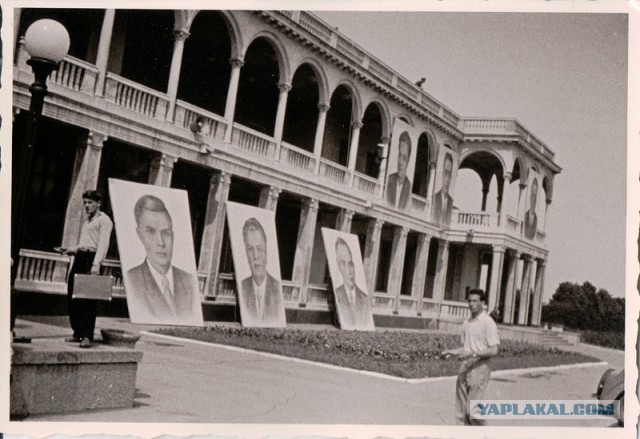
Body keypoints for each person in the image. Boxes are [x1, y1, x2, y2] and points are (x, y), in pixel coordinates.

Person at [126, 194, 202, 325]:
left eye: (166, 233)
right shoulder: (132, 280)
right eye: (151, 232)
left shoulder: (189, 281)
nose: (160, 242)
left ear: (172, 236)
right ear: (140, 235)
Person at [59, 190, 113, 348]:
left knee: (87, 300)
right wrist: (71, 249)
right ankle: (77, 332)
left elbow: (102, 244)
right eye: (85, 203)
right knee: (73, 295)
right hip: (80, 258)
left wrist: (96, 265)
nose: (87, 206)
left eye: (90, 203)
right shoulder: (87, 222)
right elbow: (85, 244)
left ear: (98, 203)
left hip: (92, 261)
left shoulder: (104, 220)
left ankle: (87, 336)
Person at [443, 289, 500, 425]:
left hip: (481, 367)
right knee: (460, 411)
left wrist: (473, 354)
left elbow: (494, 349)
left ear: (482, 303)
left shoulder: (488, 322)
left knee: (472, 411)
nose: (471, 304)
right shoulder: (467, 322)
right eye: (469, 301)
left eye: (475, 301)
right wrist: (453, 351)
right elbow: (466, 347)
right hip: (466, 366)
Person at [239, 217, 286, 327]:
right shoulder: (242, 287)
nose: (256, 256)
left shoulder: (277, 289)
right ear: (246, 252)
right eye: (250, 249)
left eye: (259, 249)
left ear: (266, 250)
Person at [333, 238, 374, 330]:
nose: (348, 271)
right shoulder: (337, 293)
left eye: (350, 264)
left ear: (354, 266)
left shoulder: (364, 298)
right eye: (343, 264)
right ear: (338, 266)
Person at [385, 132, 413, 209]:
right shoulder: (390, 179)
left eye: (404, 158)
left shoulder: (409, 187)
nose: (400, 162)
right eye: (399, 155)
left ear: (408, 161)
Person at [432, 152, 454, 226]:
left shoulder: (451, 201)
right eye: (445, 173)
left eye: (450, 175)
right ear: (441, 173)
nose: (447, 179)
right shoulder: (435, 197)